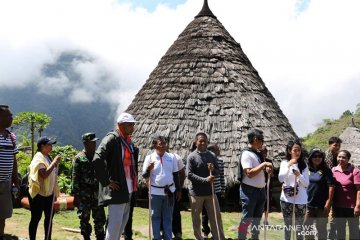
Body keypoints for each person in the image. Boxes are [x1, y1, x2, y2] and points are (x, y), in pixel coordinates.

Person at [93, 112, 138, 240]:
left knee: (121, 227)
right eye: (130, 125)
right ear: (121, 125)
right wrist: (107, 182)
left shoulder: (127, 141)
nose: (133, 128)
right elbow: (97, 158)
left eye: (133, 125)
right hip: (118, 191)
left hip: (128, 190)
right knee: (114, 228)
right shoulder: (112, 138)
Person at [186, 132, 225, 240]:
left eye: (205, 141)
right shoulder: (191, 157)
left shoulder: (212, 155)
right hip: (196, 194)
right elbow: (189, 174)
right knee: (196, 219)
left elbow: (217, 172)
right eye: (200, 141)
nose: (203, 143)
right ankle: (199, 238)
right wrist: (205, 180)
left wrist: (213, 170)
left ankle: (219, 238)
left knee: (216, 217)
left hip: (210, 193)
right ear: (196, 142)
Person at [142, 136, 181, 240]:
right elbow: (144, 175)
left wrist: (179, 190)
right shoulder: (149, 158)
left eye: (164, 143)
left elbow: (176, 174)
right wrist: (148, 169)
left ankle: (168, 238)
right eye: (161, 144)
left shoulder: (172, 157)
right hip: (155, 193)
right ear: (155, 145)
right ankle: (156, 238)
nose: (163, 146)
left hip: (169, 192)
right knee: (155, 217)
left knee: (168, 218)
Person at [237, 129, 273, 240]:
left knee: (257, 220)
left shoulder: (256, 154)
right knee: (246, 218)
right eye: (262, 140)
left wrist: (266, 170)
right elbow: (249, 173)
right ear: (256, 139)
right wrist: (263, 165)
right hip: (249, 191)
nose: (263, 143)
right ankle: (241, 237)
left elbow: (258, 171)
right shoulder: (246, 154)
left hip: (260, 191)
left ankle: (254, 238)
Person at [71, 133, 106, 240]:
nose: (95, 144)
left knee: (100, 219)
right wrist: (75, 195)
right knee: (84, 219)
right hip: (84, 195)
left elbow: (103, 174)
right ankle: (86, 237)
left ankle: (100, 237)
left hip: (97, 194)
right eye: (92, 142)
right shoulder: (79, 158)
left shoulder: (98, 156)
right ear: (86, 143)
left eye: (95, 142)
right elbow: (74, 177)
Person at [28, 136, 61, 240]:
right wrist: (54, 163)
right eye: (49, 145)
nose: (51, 147)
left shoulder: (47, 156)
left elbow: (53, 175)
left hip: (49, 194)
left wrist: (54, 192)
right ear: (42, 146)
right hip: (39, 194)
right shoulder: (38, 158)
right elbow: (44, 174)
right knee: (36, 218)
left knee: (49, 219)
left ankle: (48, 238)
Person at [278, 139, 309, 240]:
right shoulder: (284, 163)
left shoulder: (304, 165)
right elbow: (280, 179)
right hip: (286, 199)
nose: (297, 152)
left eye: (299, 150)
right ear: (289, 151)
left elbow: (306, 183)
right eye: (295, 150)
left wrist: (299, 175)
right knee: (288, 226)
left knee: (299, 228)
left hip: (301, 200)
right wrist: (289, 164)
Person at [303, 148, 334, 240]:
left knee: (321, 229)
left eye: (320, 156)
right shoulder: (306, 170)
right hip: (309, 205)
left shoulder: (326, 170)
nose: (317, 158)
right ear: (310, 158)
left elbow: (331, 187)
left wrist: (328, 204)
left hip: (321, 206)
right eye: (315, 156)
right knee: (306, 227)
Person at [0, 105, 19, 240]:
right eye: (8, 115)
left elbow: (14, 160)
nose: (11, 118)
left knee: (3, 214)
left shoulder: (11, 137)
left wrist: (15, 182)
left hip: (6, 183)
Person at [332, 150, 360, 240]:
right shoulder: (334, 170)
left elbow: (359, 190)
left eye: (344, 157)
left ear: (348, 159)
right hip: (338, 206)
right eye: (339, 156)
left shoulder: (355, 171)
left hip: (351, 207)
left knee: (354, 231)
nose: (341, 159)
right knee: (340, 230)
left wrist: (358, 206)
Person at [201, 144, 225, 239]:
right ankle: (205, 231)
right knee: (205, 213)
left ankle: (216, 232)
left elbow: (222, 176)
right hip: (206, 191)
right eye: (217, 149)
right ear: (212, 151)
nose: (219, 151)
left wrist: (223, 189)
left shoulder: (220, 161)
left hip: (217, 190)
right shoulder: (204, 161)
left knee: (216, 213)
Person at [324, 136, 342, 239]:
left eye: (339, 145)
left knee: (334, 212)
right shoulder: (327, 155)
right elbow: (331, 172)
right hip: (327, 187)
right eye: (335, 145)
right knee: (326, 210)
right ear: (330, 145)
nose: (337, 147)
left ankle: (331, 233)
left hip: (334, 187)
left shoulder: (338, 156)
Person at [123, 146, 139, 240]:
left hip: (131, 186)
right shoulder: (118, 149)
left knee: (129, 213)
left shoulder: (134, 149)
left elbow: (135, 169)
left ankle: (128, 235)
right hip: (120, 187)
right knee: (115, 214)